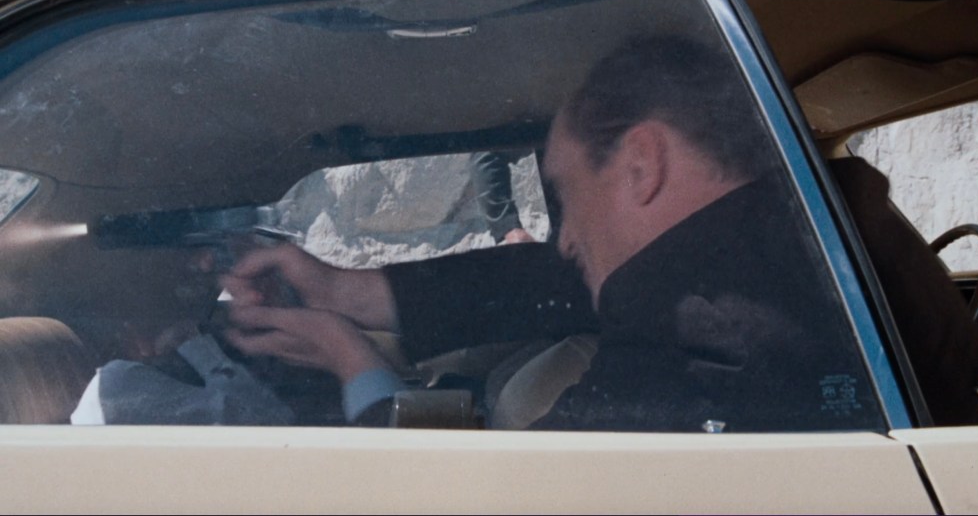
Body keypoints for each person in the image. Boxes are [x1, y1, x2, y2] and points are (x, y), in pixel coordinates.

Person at [220, 36, 887, 432]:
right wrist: (345, 291)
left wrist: (349, 360)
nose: (563, 238)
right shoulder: (797, 254)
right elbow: (555, 280)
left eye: (564, 193)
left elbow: (461, 504)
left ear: (639, 165)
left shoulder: (704, 347)